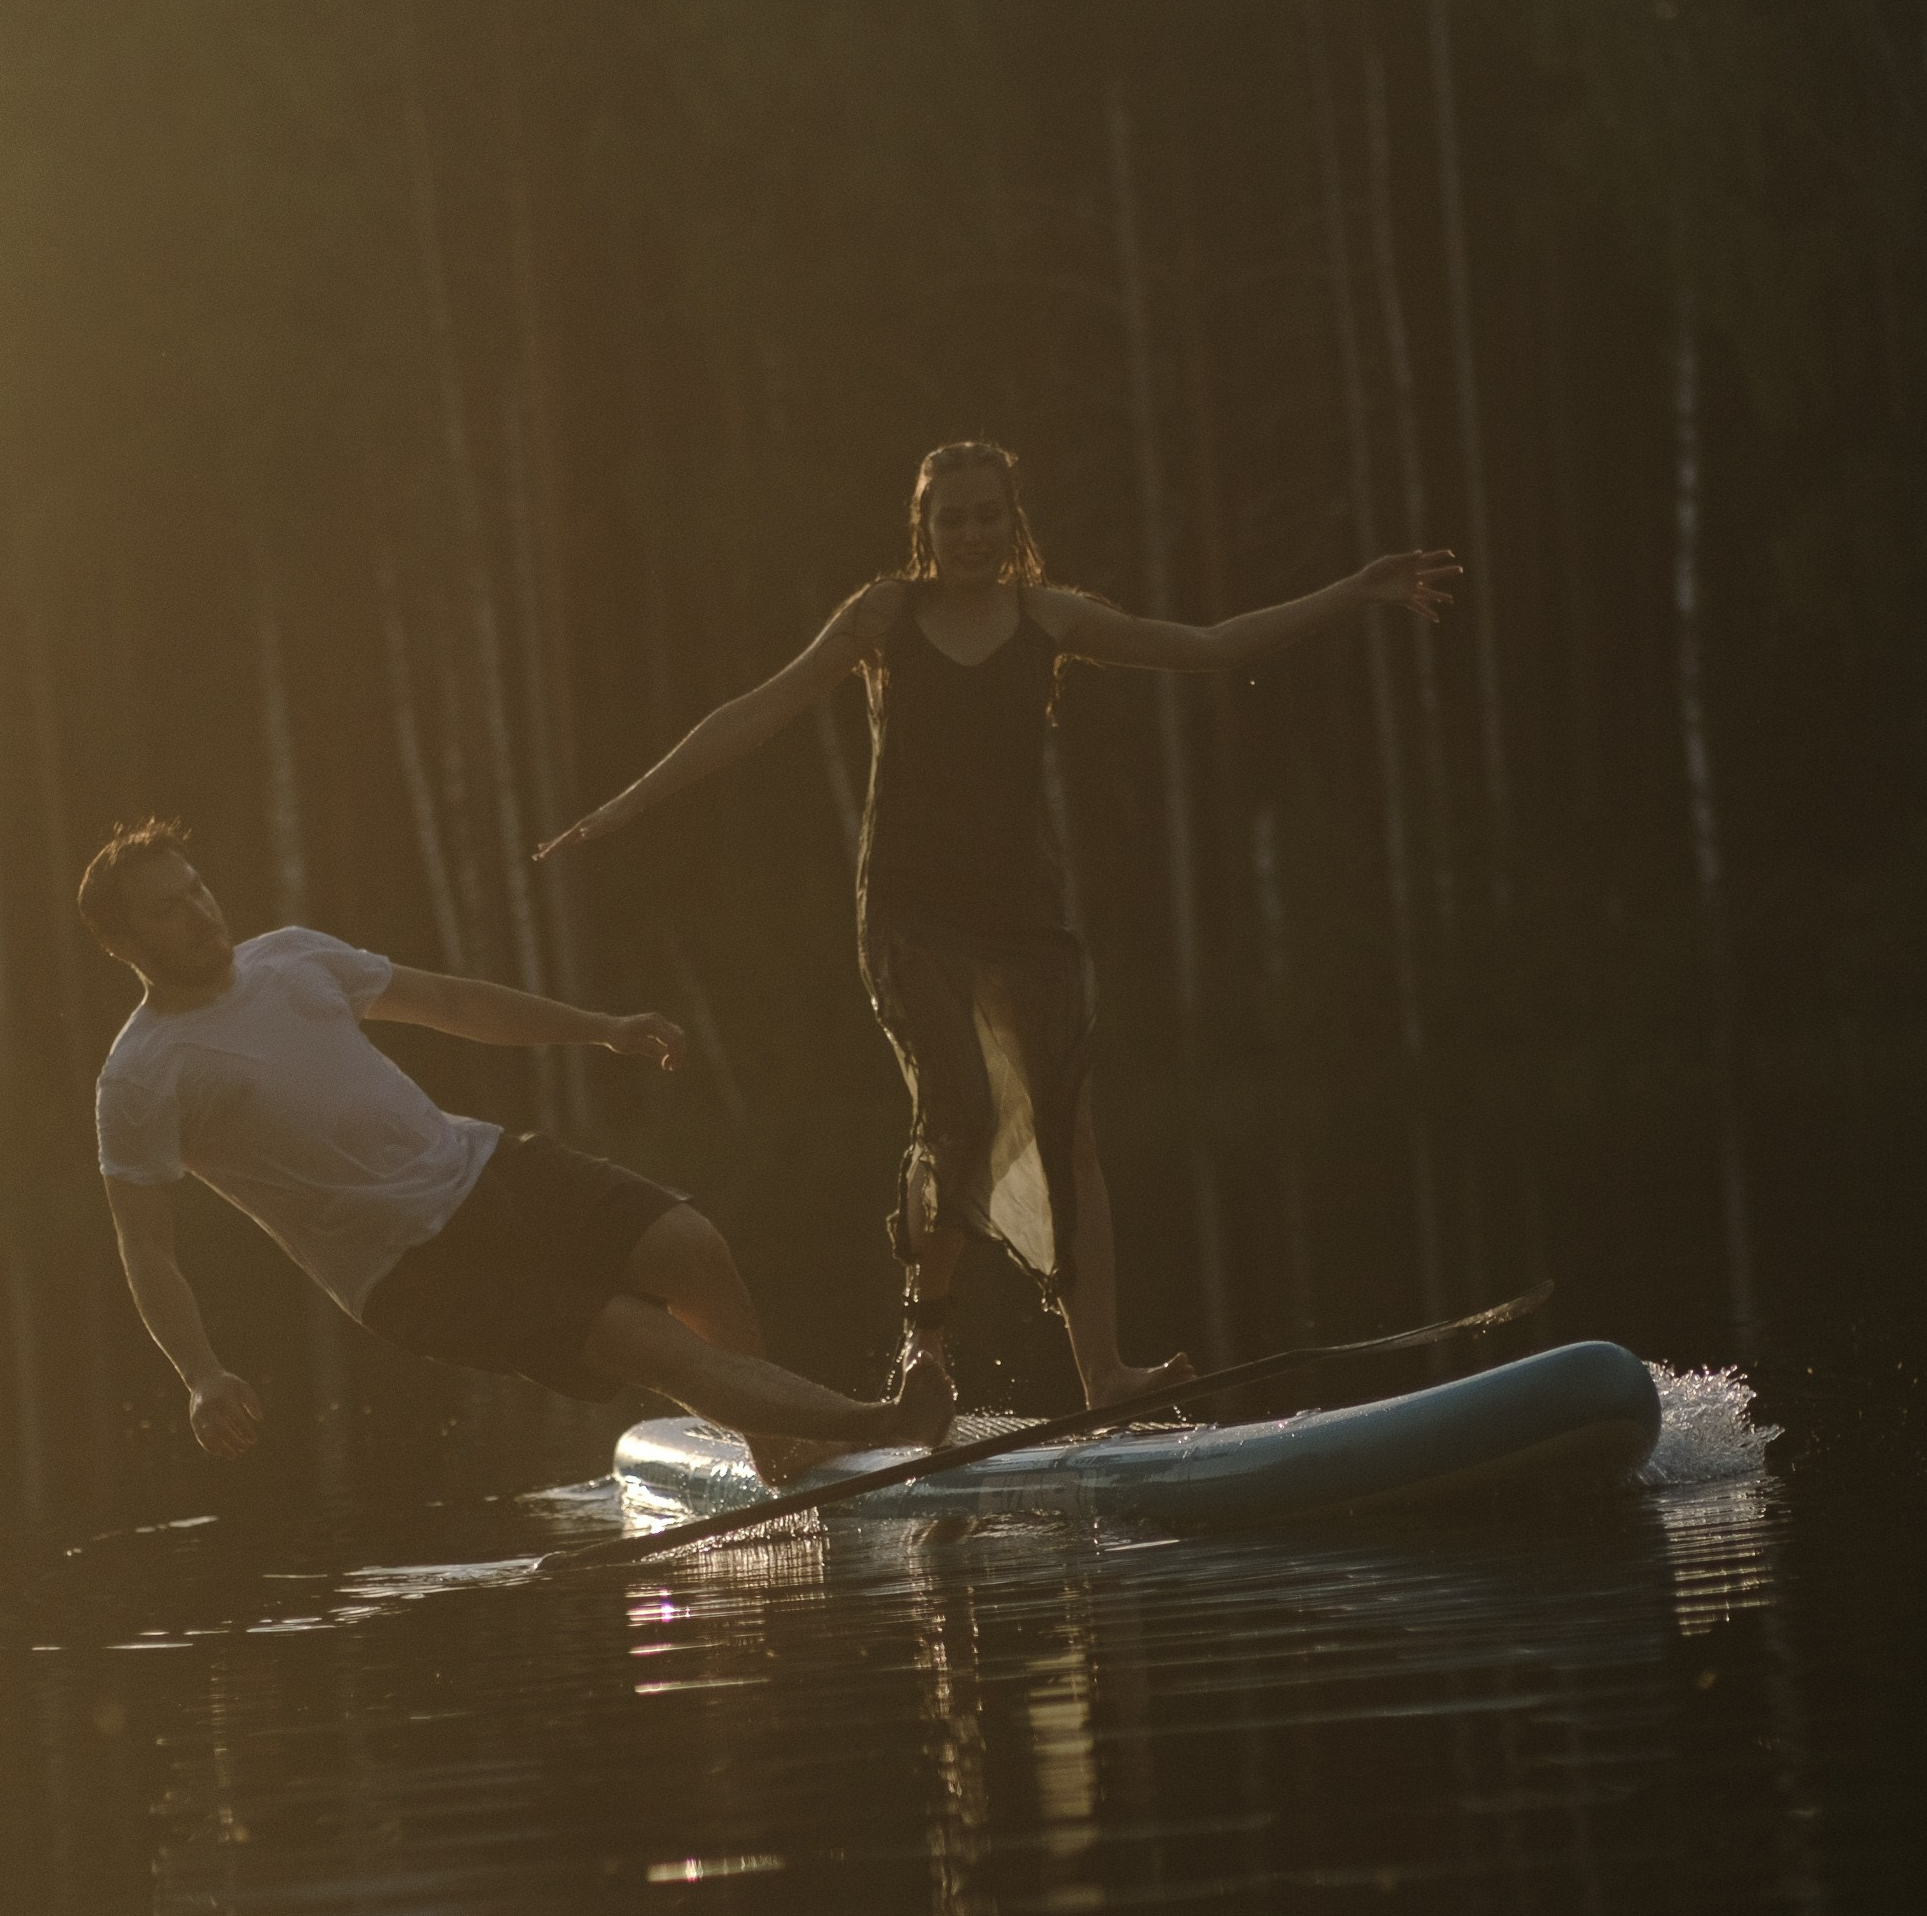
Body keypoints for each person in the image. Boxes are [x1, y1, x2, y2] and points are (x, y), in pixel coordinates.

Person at [539, 441, 1457, 1402]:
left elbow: (1210, 644)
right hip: (909, 913)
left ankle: (1102, 1372)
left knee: (1070, 1136)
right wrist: (627, 806)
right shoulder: (885, 617)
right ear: (924, 529)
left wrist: (1355, 590)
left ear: (1012, 524)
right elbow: (759, 710)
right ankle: (925, 1346)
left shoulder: (1047, 617)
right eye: (952, 519)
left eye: (987, 516)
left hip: (1024, 911)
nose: (970, 534)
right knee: (963, 1119)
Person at [79, 819, 952, 1472]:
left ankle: (783, 1453)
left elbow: (457, 1005)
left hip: (482, 1164)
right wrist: (199, 1373)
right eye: (168, 909)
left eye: (196, 888)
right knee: (652, 1346)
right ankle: (880, 1424)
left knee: (690, 1246)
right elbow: (145, 1243)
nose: (198, 911)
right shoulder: (141, 1076)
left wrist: (600, 1029)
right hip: (409, 1273)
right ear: (124, 945)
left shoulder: (294, 957)